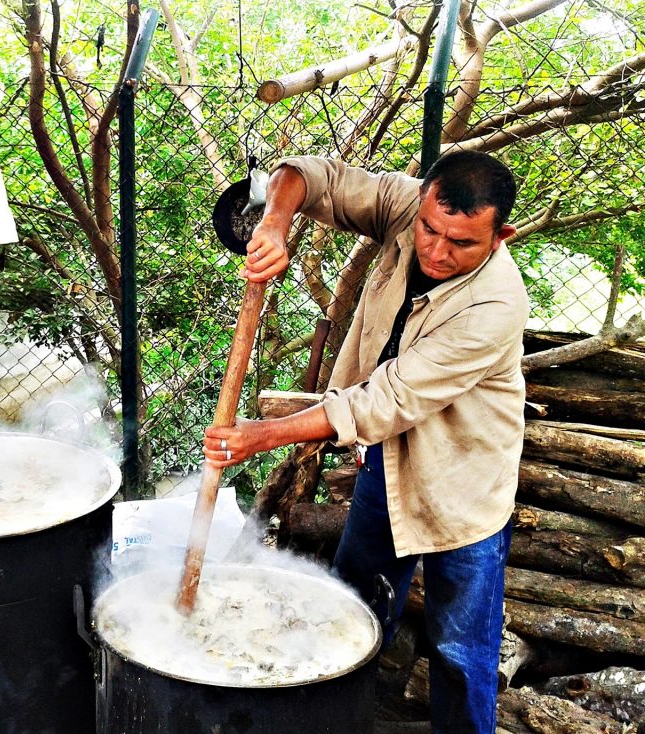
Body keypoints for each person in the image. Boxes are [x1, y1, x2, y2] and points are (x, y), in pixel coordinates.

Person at [203, 150, 527, 734]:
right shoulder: (406, 206)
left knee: (460, 652)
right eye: (429, 229)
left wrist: (264, 435)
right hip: (389, 466)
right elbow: (308, 175)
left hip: (463, 485)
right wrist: (276, 221)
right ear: (421, 199)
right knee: (350, 608)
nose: (435, 250)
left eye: (461, 244)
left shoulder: (496, 305)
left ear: (499, 236)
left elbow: (385, 401)